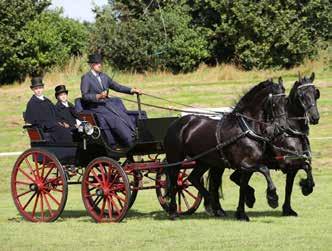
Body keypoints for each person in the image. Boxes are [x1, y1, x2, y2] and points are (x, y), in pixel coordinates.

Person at [80, 53, 142, 147]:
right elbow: (85, 96)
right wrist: (98, 96)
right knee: (114, 118)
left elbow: (117, 87)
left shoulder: (104, 76)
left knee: (122, 114)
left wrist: (132, 90)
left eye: (100, 63)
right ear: (91, 65)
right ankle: (127, 140)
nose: (100, 65)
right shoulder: (86, 78)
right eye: (97, 63)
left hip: (107, 104)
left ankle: (135, 135)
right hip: (95, 107)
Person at [25, 77, 73, 143]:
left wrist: (62, 122)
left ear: (43, 88)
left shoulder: (47, 101)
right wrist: (50, 124)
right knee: (64, 132)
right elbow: (32, 120)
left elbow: (56, 114)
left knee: (72, 129)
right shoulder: (32, 103)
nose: (38, 90)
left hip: (54, 125)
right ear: (33, 89)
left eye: (40, 88)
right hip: (45, 129)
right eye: (36, 89)